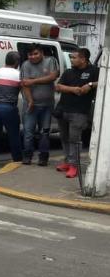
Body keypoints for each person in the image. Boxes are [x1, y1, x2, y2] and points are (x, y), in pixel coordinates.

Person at [55, 48, 99, 179]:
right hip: (63, 110)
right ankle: (67, 161)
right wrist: (73, 89)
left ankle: (74, 166)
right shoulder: (69, 72)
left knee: (75, 139)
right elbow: (58, 86)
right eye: (71, 58)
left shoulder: (94, 71)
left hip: (80, 111)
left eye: (74, 58)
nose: (72, 60)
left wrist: (90, 84)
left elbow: (105, 80)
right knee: (64, 137)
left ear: (83, 59)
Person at [20, 44, 60, 166]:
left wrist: (33, 80)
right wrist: (30, 101)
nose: (32, 57)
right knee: (28, 132)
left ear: (42, 53)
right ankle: (27, 156)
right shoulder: (26, 65)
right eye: (30, 54)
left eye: (35, 53)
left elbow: (52, 76)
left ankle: (43, 157)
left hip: (47, 106)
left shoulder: (51, 61)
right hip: (31, 105)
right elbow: (24, 84)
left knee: (45, 133)